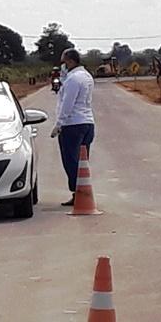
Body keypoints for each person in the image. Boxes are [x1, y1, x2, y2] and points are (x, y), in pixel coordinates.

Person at [51, 48, 95, 206]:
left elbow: (67, 104)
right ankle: (82, 192)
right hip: (87, 123)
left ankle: (78, 193)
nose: (63, 65)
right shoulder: (86, 76)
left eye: (64, 62)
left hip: (72, 124)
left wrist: (59, 124)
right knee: (82, 162)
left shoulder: (73, 79)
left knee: (71, 161)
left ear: (70, 61)